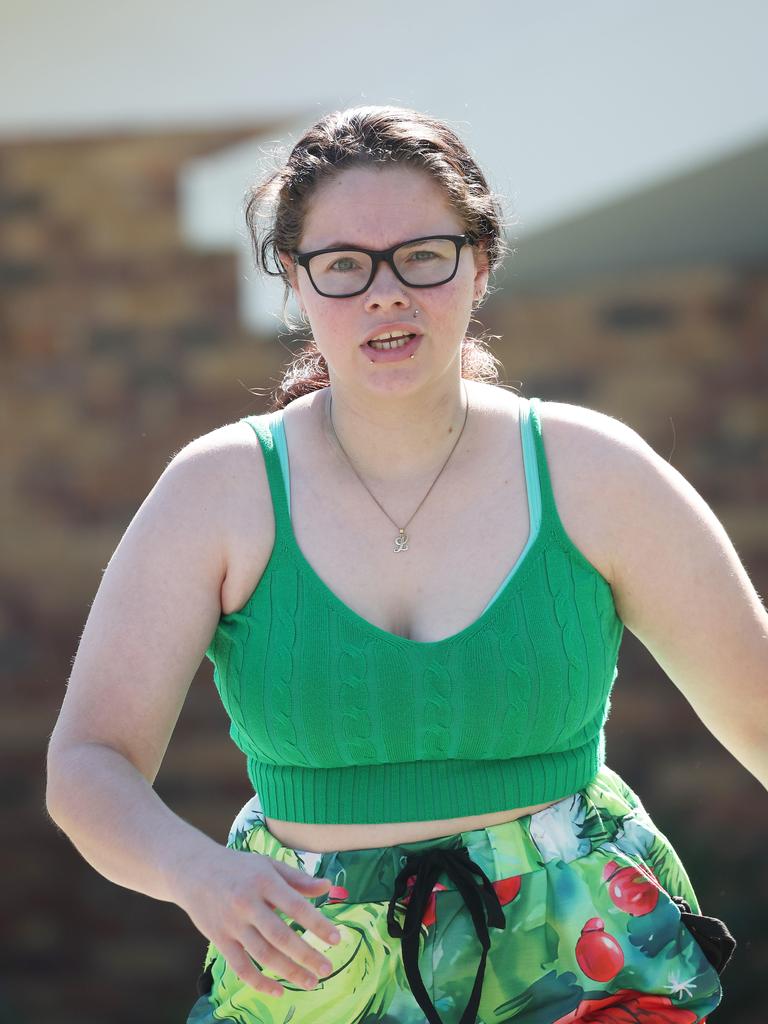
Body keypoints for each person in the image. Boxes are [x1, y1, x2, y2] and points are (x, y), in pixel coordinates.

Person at [45, 104, 764, 1024]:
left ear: (480, 261)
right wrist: (199, 875)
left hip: (581, 960)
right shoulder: (219, 489)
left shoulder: (596, 472)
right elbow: (87, 764)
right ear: (297, 284)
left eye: (423, 254)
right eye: (343, 265)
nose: (386, 293)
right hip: (313, 967)